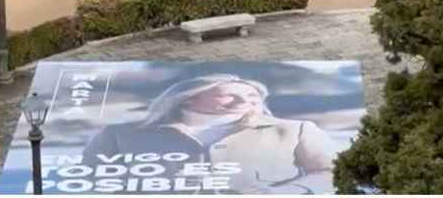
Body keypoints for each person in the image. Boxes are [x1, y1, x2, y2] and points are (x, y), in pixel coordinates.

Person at [81, 74, 336, 194]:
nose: (243, 101)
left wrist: (278, 194)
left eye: (251, 96)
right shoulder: (120, 134)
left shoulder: (295, 130)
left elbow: (331, 172)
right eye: (228, 94)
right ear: (187, 100)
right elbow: (89, 180)